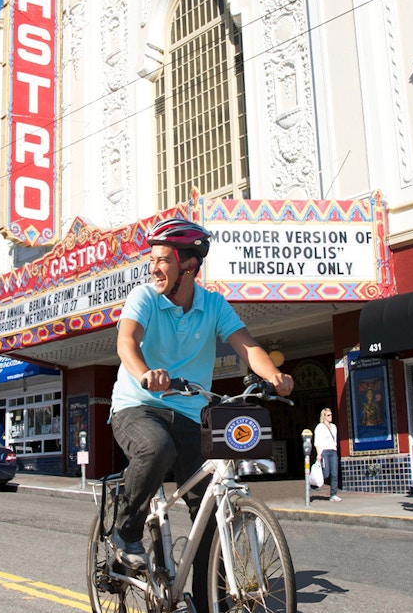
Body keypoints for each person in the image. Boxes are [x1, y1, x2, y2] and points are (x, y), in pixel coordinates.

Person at [109, 218, 294, 605]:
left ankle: (211, 599)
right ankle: (125, 531)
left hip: (192, 415)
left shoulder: (213, 305)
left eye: (163, 259)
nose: (154, 267)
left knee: (210, 507)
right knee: (156, 449)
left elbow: (247, 347)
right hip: (138, 405)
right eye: (153, 259)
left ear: (188, 266)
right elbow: (127, 341)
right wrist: (145, 374)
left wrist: (274, 374)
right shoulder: (144, 298)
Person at [314, 408, 341, 502]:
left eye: (331, 414)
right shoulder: (320, 427)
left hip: (333, 451)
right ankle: (314, 483)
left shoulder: (334, 427)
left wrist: (335, 448)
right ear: (324, 416)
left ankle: (333, 494)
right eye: (328, 415)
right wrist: (318, 454)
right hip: (324, 451)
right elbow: (317, 441)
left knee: (334, 474)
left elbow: (335, 440)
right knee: (326, 473)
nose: (330, 417)